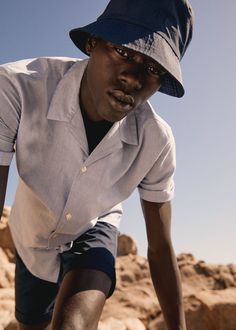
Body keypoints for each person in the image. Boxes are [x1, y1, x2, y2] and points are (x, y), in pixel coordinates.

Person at [0, 0, 194, 329]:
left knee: (73, 325)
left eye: (153, 68)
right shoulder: (17, 88)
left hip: (95, 227)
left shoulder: (156, 141)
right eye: (124, 50)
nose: (133, 78)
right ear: (93, 43)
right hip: (30, 233)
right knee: (30, 323)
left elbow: (160, 247)